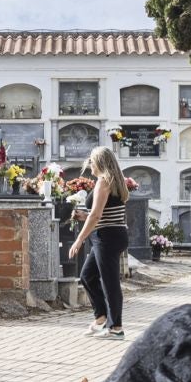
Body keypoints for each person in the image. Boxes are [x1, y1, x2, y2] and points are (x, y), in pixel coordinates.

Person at [69, 145, 131, 338]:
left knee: (110, 283)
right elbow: (102, 212)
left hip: (107, 236)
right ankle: (101, 317)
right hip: (111, 233)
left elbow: (96, 215)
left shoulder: (104, 182)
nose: (90, 165)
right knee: (88, 276)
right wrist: (83, 216)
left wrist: (79, 240)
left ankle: (116, 327)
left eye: (92, 161)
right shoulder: (115, 181)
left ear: (100, 163)